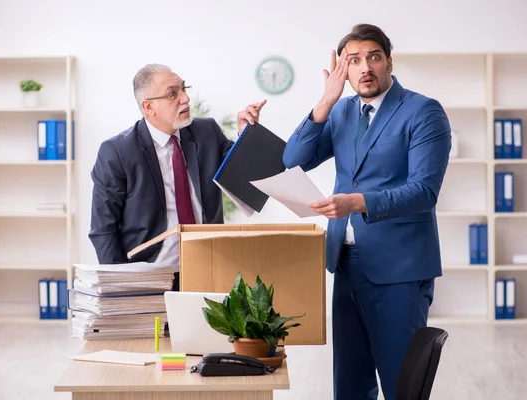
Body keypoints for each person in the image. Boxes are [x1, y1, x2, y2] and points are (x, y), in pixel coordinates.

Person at [282, 24, 451, 400]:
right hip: (346, 263)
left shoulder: (422, 112)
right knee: (350, 386)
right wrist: (325, 101)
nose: (364, 68)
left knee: (400, 386)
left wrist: (356, 203)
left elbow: (424, 192)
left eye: (373, 57)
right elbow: (293, 160)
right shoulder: (341, 112)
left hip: (400, 270)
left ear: (389, 61)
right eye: (353, 60)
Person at [89, 63, 265, 290]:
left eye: (184, 89)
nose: (185, 99)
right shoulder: (117, 152)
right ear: (148, 107)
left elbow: (245, 178)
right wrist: (121, 287)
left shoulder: (207, 132)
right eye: (173, 93)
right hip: (149, 274)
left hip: (208, 267)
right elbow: (104, 229)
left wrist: (245, 135)